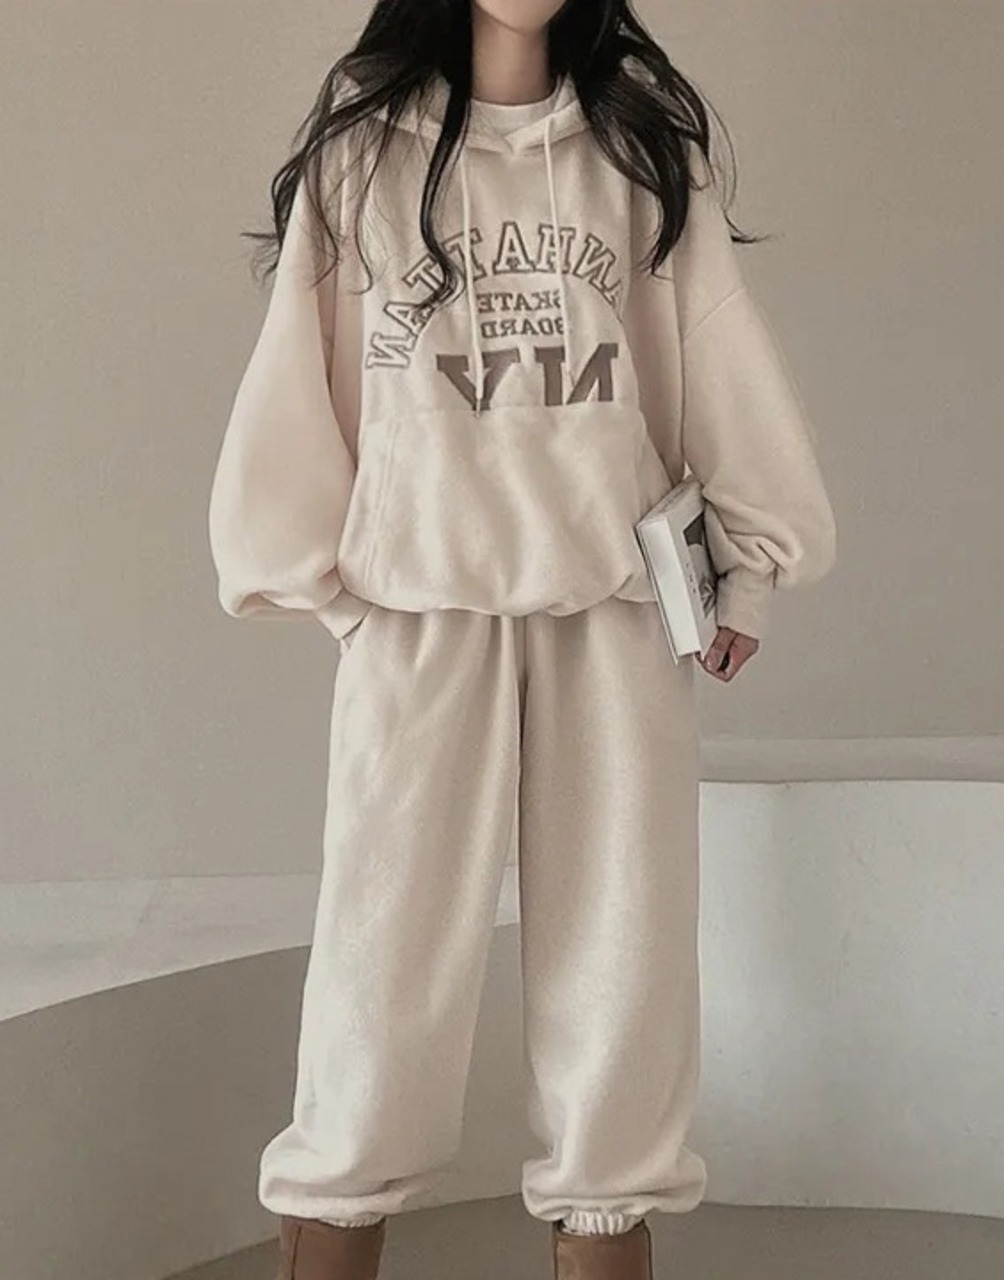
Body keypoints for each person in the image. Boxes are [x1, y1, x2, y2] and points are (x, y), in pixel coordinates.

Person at [208, 2, 837, 1276]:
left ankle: (602, 1230)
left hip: (614, 608)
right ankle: (333, 1224)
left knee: (624, 953)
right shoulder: (363, 156)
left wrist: (747, 573)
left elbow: (714, 352)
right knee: (381, 954)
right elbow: (301, 368)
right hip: (419, 613)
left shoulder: (635, 150)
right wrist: (334, 589)